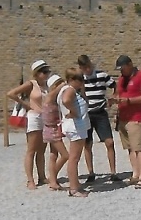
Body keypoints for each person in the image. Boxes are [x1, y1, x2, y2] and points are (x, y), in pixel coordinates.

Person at [6, 60, 51, 189]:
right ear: (37, 74)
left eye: (47, 71)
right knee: (31, 149)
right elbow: (11, 93)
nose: (46, 74)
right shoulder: (31, 84)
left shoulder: (47, 86)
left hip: (45, 117)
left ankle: (42, 177)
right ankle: (30, 180)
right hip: (34, 117)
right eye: (44, 72)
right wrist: (25, 105)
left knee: (42, 150)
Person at [110, 55, 141, 189]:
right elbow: (118, 94)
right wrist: (114, 100)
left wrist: (129, 101)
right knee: (130, 148)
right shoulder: (122, 79)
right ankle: (135, 174)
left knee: (138, 148)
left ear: (129, 65)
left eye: (122, 68)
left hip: (136, 117)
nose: (121, 71)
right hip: (123, 116)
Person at [77, 55, 118, 182]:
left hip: (100, 112)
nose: (88, 70)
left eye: (89, 67)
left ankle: (113, 172)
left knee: (109, 142)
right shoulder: (79, 79)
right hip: (86, 114)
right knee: (87, 144)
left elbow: (115, 85)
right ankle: (91, 173)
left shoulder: (102, 75)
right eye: (85, 68)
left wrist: (113, 98)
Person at [58, 68, 91, 197]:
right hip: (76, 127)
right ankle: (74, 188)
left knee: (74, 157)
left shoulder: (69, 89)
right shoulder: (70, 90)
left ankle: (75, 184)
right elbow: (66, 101)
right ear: (72, 80)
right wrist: (73, 112)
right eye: (80, 80)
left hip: (76, 126)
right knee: (74, 158)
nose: (82, 82)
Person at [42, 74, 68, 191]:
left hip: (52, 129)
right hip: (51, 130)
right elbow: (54, 92)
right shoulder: (49, 97)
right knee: (65, 155)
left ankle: (53, 181)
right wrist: (63, 84)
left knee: (53, 155)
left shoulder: (55, 98)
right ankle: (52, 178)